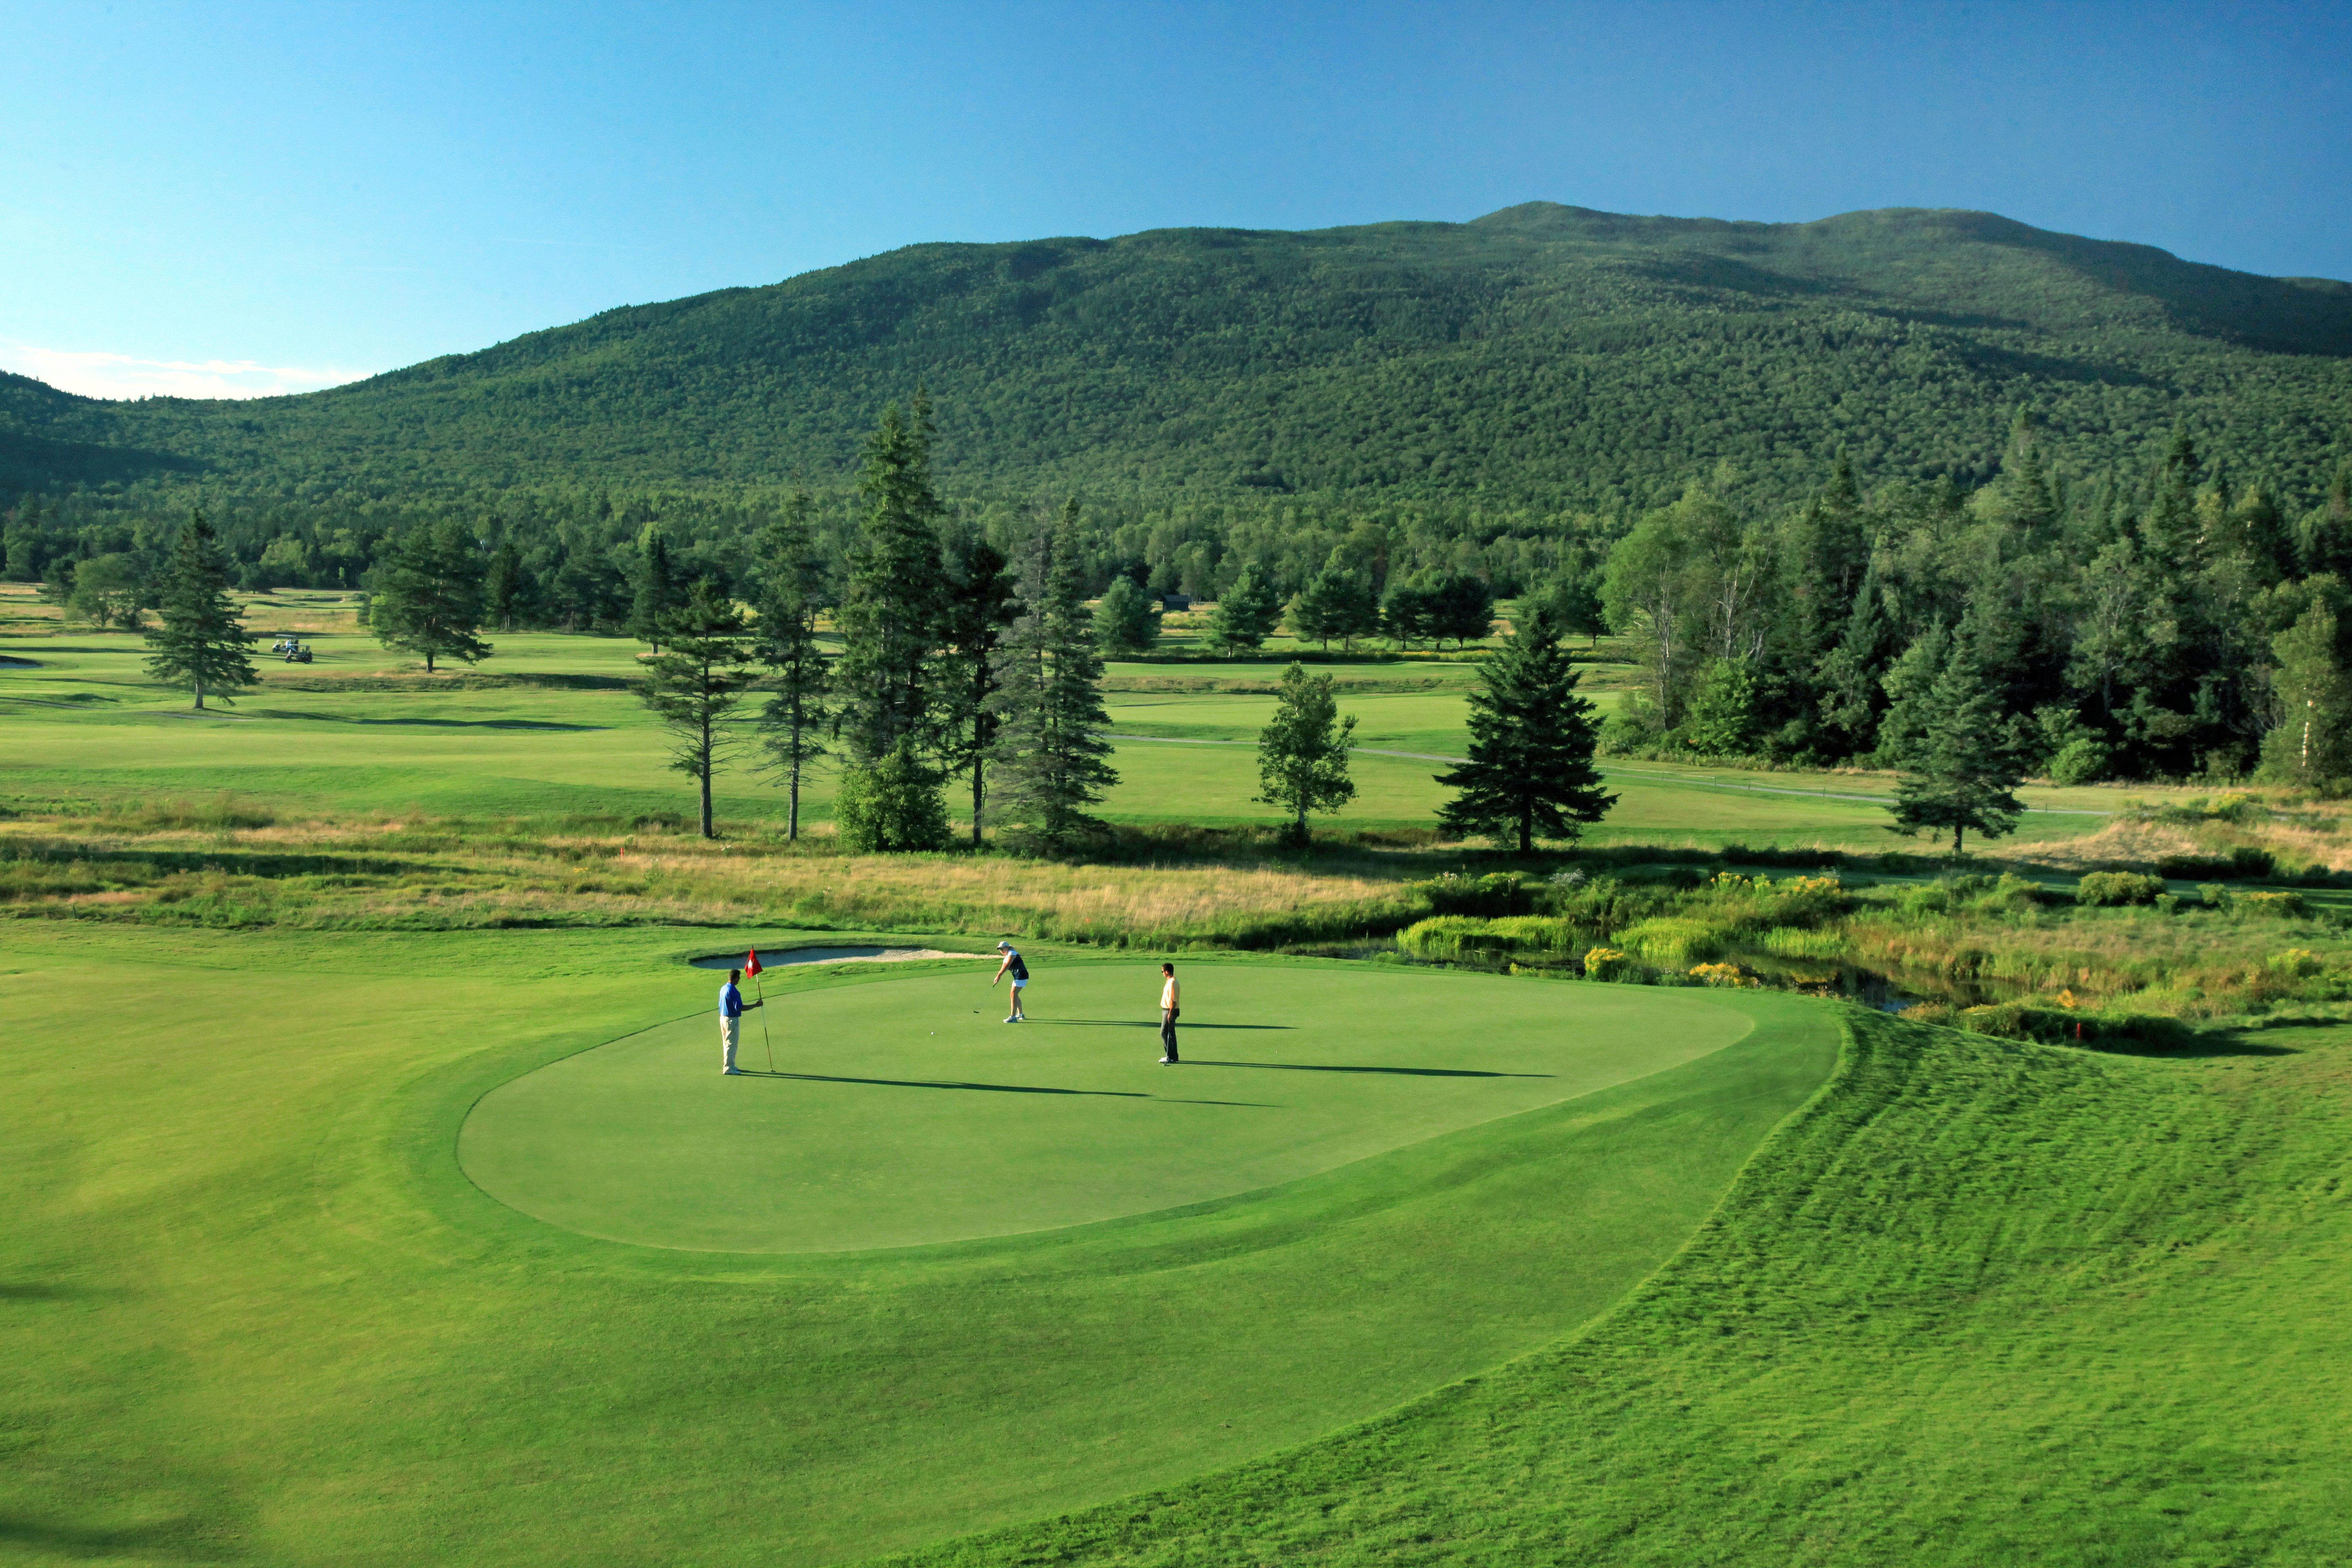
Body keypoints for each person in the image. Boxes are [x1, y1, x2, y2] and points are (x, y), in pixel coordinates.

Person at [718, 967, 761, 1074]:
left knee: (727, 1044)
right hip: (731, 1020)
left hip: (723, 1018)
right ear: (736, 979)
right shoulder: (734, 991)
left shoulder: (724, 988)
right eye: (739, 978)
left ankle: (731, 1065)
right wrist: (756, 1005)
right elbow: (740, 1008)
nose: (739, 980)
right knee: (731, 1044)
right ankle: (728, 1068)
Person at [991, 941, 1029, 1022]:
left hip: (1021, 975)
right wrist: (998, 977)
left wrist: (999, 976)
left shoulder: (1012, 953)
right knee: (1014, 995)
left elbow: (1007, 966)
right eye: (1000, 949)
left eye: (1002, 949)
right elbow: (1003, 967)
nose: (1001, 951)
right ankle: (1020, 1014)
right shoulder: (1007, 957)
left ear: (1007, 948)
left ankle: (1013, 1017)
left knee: (1013, 995)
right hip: (1019, 976)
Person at [1158, 962, 1180, 1064]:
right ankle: (1174, 1056)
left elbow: (1173, 1000)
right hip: (1168, 1010)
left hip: (1170, 1010)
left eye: (1163, 971)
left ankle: (1170, 1056)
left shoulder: (1172, 983)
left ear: (1167, 972)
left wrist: (1171, 1013)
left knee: (1164, 1033)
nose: (1162, 973)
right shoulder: (1171, 981)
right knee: (1171, 1034)